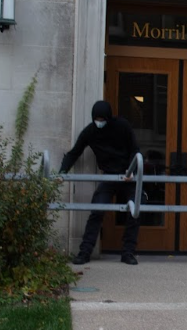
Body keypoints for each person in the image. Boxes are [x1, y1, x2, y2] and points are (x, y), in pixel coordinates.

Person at [59, 100, 141, 265]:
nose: (100, 122)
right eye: (97, 119)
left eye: (102, 119)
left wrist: (131, 170)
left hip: (128, 175)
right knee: (97, 210)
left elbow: (135, 149)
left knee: (135, 210)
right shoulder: (90, 131)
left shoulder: (122, 126)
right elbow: (74, 152)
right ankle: (85, 252)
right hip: (109, 176)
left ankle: (128, 252)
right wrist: (62, 172)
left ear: (109, 117)